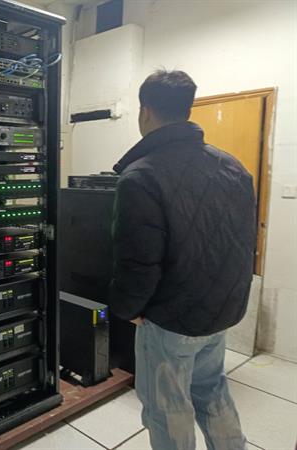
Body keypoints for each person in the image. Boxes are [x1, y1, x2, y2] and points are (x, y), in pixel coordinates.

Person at [109, 70, 256, 450]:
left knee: (167, 409)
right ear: (187, 108)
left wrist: (128, 309)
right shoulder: (233, 166)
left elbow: (138, 261)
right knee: (212, 390)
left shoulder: (140, 177)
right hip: (221, 310)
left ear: (145, 111)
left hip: (170, 319)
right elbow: (242, 242)